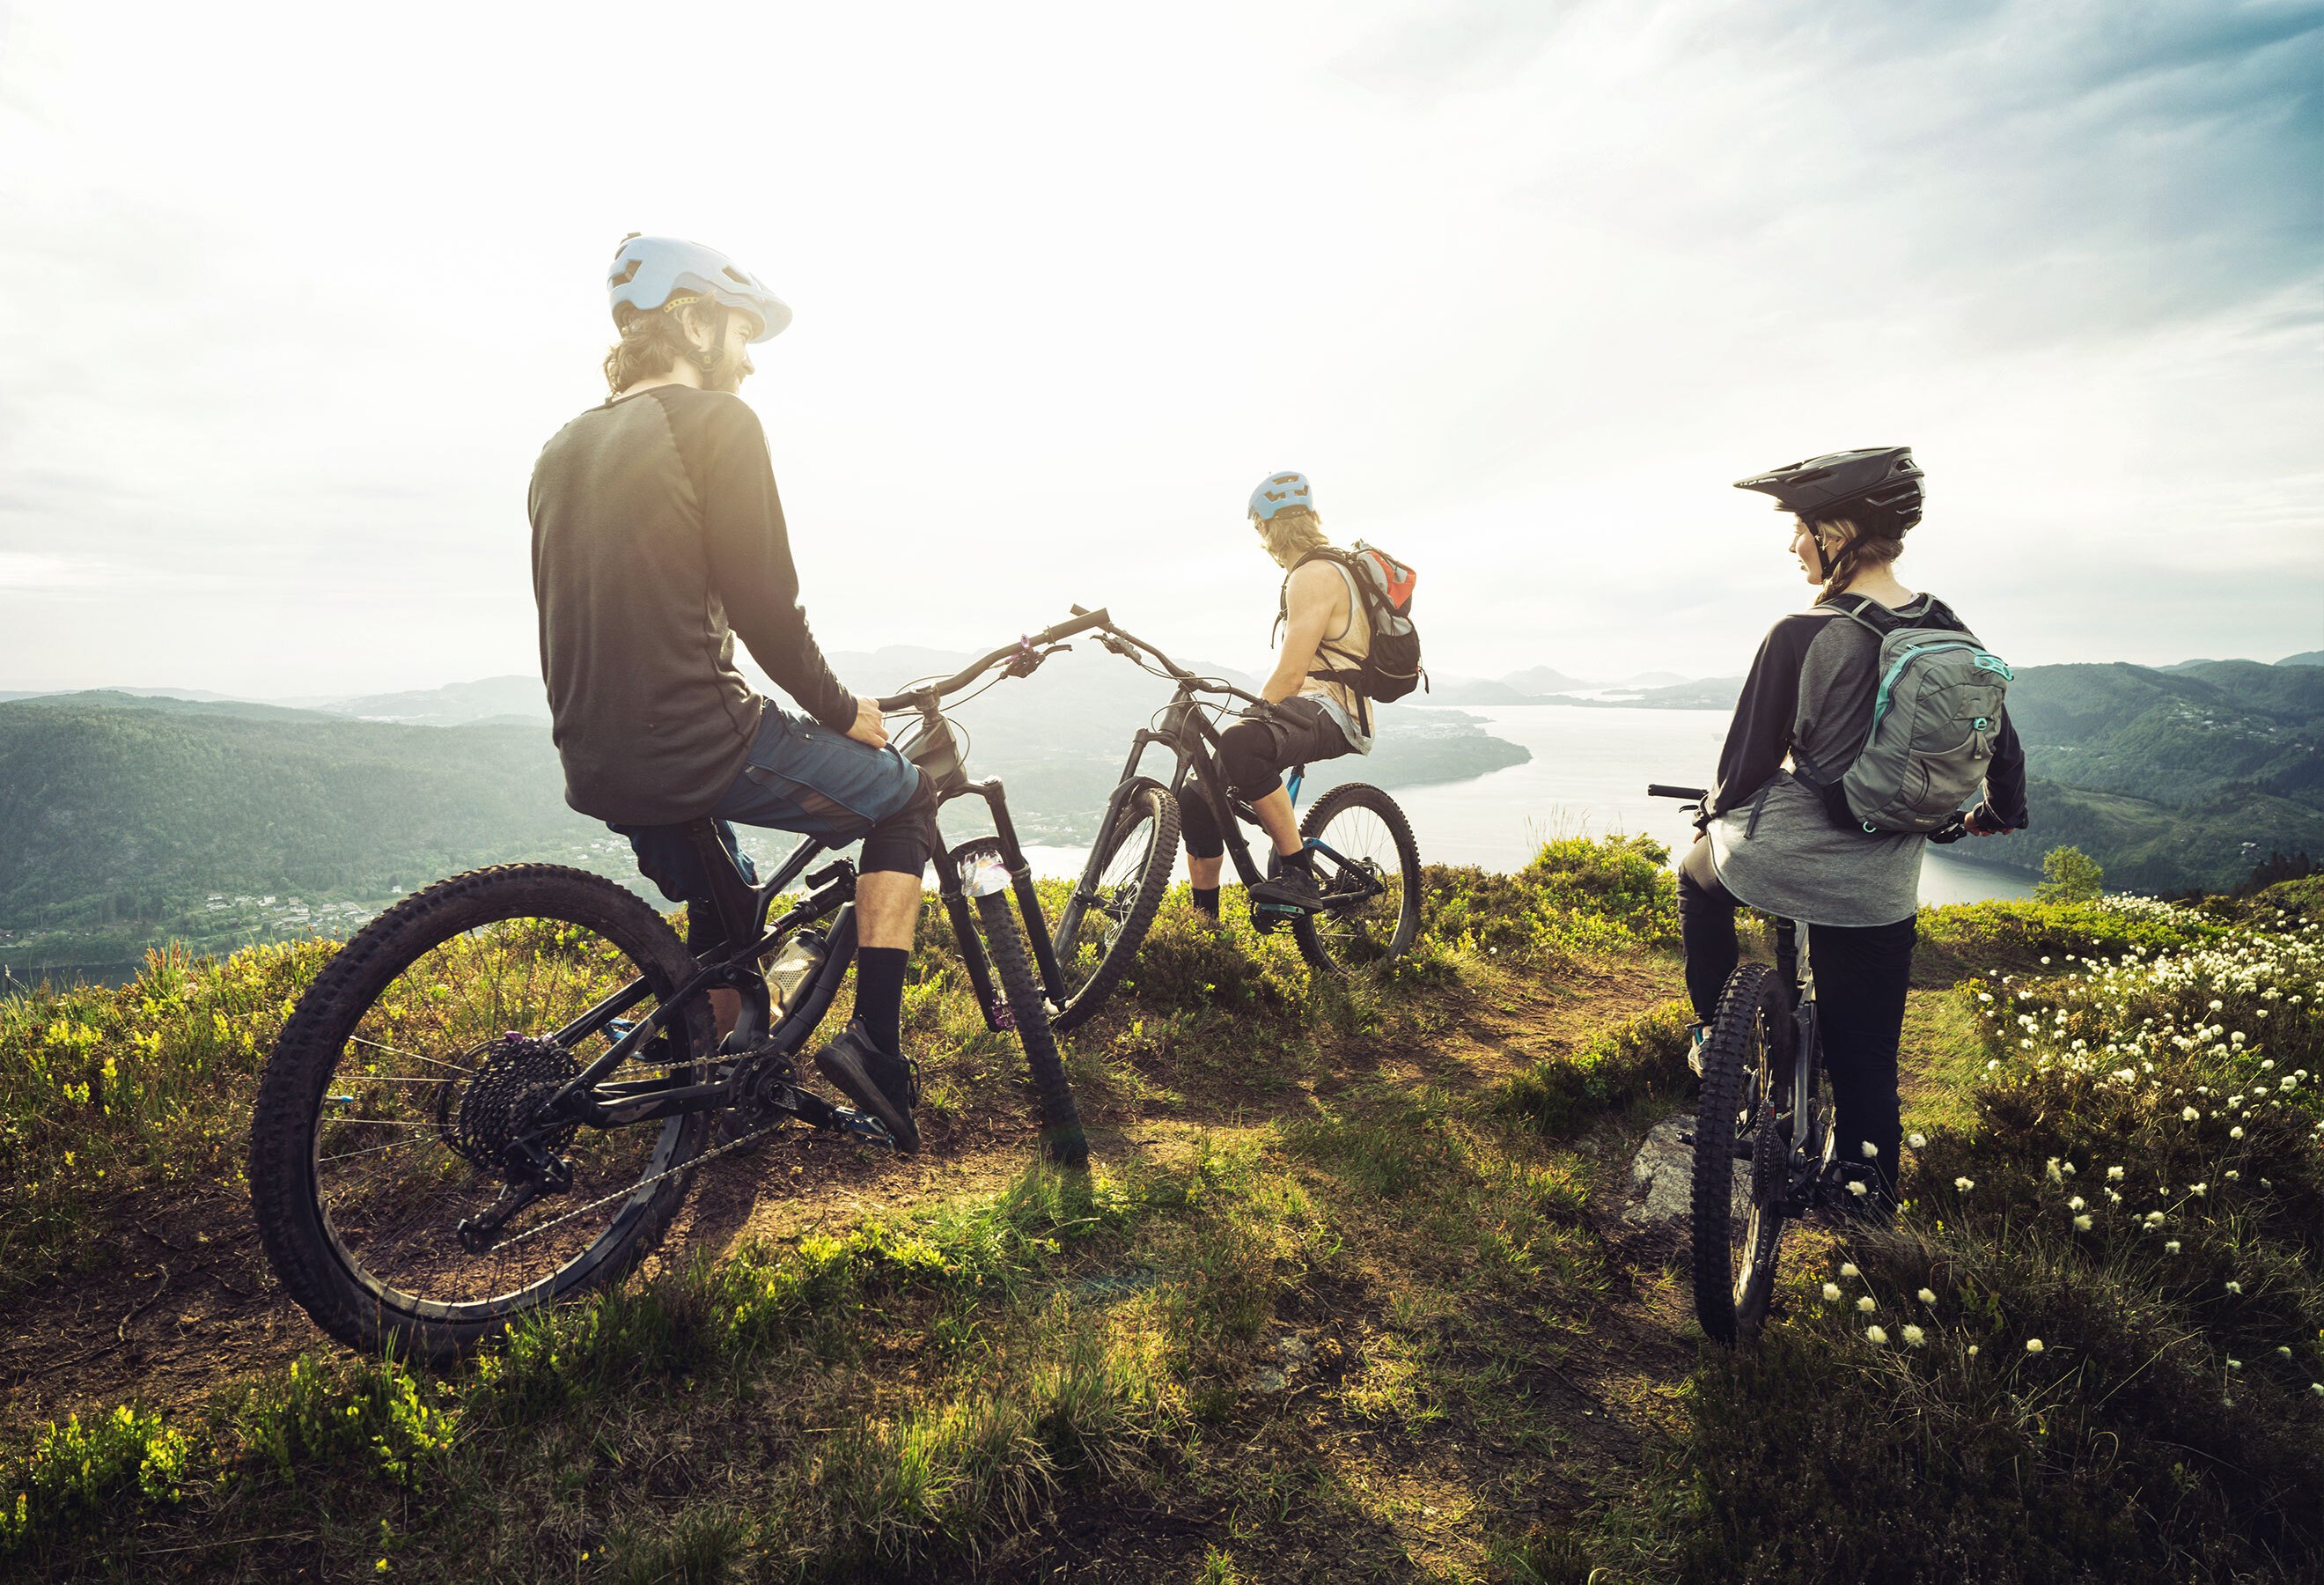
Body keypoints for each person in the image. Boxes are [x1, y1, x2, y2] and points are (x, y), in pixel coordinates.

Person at [527, 235, 937, 1151]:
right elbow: (766, 606)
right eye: (742, 334)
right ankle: (876, 1045)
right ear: (693, 320)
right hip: (698, 739)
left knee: (731, 908)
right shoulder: (718, 425)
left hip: (595, 755)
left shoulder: (562, 446)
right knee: (906, 796)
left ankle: (711, 1077)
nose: (748, 361)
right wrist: (842, 711)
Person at [1681, 446, 2027, 1212]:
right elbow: (2000, 745)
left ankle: (1714, 1037)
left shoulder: (1800, 635)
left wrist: (1713, 810)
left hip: (1784, 857)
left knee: (1696, 875)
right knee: (1868, 1054)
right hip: (1881, 884)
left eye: (1803, 530)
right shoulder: (1951, 630)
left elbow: (1744, 766)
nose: (1794, 545)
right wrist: (1997, 813)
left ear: (1836, 533)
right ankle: (1866, 1197)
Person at [1180, 471, 1376, 918]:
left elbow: (1290, 675)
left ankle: (1298, 873)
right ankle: (1204, 925)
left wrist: (1252, 717)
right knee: (1199, 796)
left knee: (1241, 741)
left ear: (1267, 529)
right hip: (1308, 707)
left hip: (1333, 710)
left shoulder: (1314, 574)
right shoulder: (1321, 571)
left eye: (1259, 530)